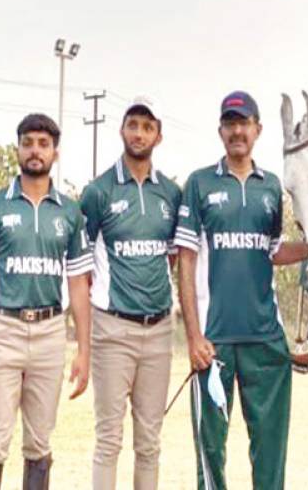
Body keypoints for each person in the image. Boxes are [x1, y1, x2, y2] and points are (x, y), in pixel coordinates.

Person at [174, 91, 308, 490]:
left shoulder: (271, 187)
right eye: (230, 123)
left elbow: (273, 251)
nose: (237, 131)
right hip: (213, 342)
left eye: (244, 123)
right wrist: (193, 336)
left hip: (265, 338)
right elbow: (186, 261)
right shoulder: (199, 184)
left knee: (270, 451)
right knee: (210, 452)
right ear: (221, 131)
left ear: (258, 130)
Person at [0, 113, 93, 490]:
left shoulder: (69, 211)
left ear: (55, 152)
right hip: (3, 330)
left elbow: (79, 284)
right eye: (28, 143)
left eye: (43, 144)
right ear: (18, 149)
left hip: (50, 332)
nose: (35, 150)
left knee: (39, 443)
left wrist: (83, 350)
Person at [80, 97, 182, 489]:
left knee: (149, 443)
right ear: (122, 130)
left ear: (159, 136)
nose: (139, 133)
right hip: (112, 329)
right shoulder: (98, 191)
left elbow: (171, 258)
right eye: (133, 125)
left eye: (147, 127)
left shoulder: (171, 194)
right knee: (109, 440)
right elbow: (81, 268)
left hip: (158, 331)